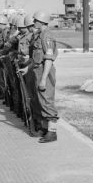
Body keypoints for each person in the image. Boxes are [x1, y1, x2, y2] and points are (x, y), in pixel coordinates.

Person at [31, 10, 59, 143]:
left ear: (41, 22)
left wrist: (43, 79)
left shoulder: (47, 36)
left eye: (35, 20)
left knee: (47, 101)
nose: (33, 22)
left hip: (45, 72)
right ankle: (44, 128)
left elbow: (48, 59)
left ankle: (52, 132)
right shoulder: (40, 35)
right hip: (38, 70)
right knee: (40, 101)